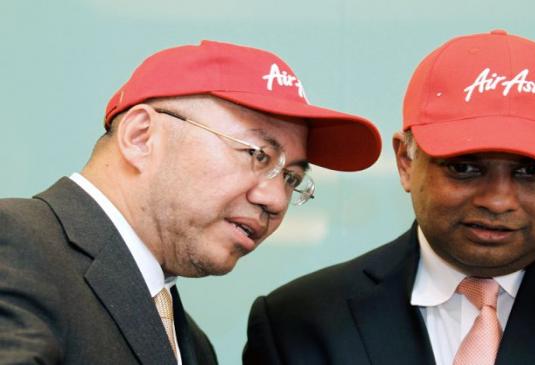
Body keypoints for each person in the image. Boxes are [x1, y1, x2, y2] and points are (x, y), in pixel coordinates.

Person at [243, 30, 535, 365]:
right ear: (405, 160)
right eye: (465, 168)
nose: (499, 200)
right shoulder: (300, 323)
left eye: (531, 171)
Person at [0, 40, 381, 365]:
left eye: (292, 179)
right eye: (258, 155)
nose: (275, 200)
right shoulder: (14, 245)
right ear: (141, 136)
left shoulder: (193, 344)